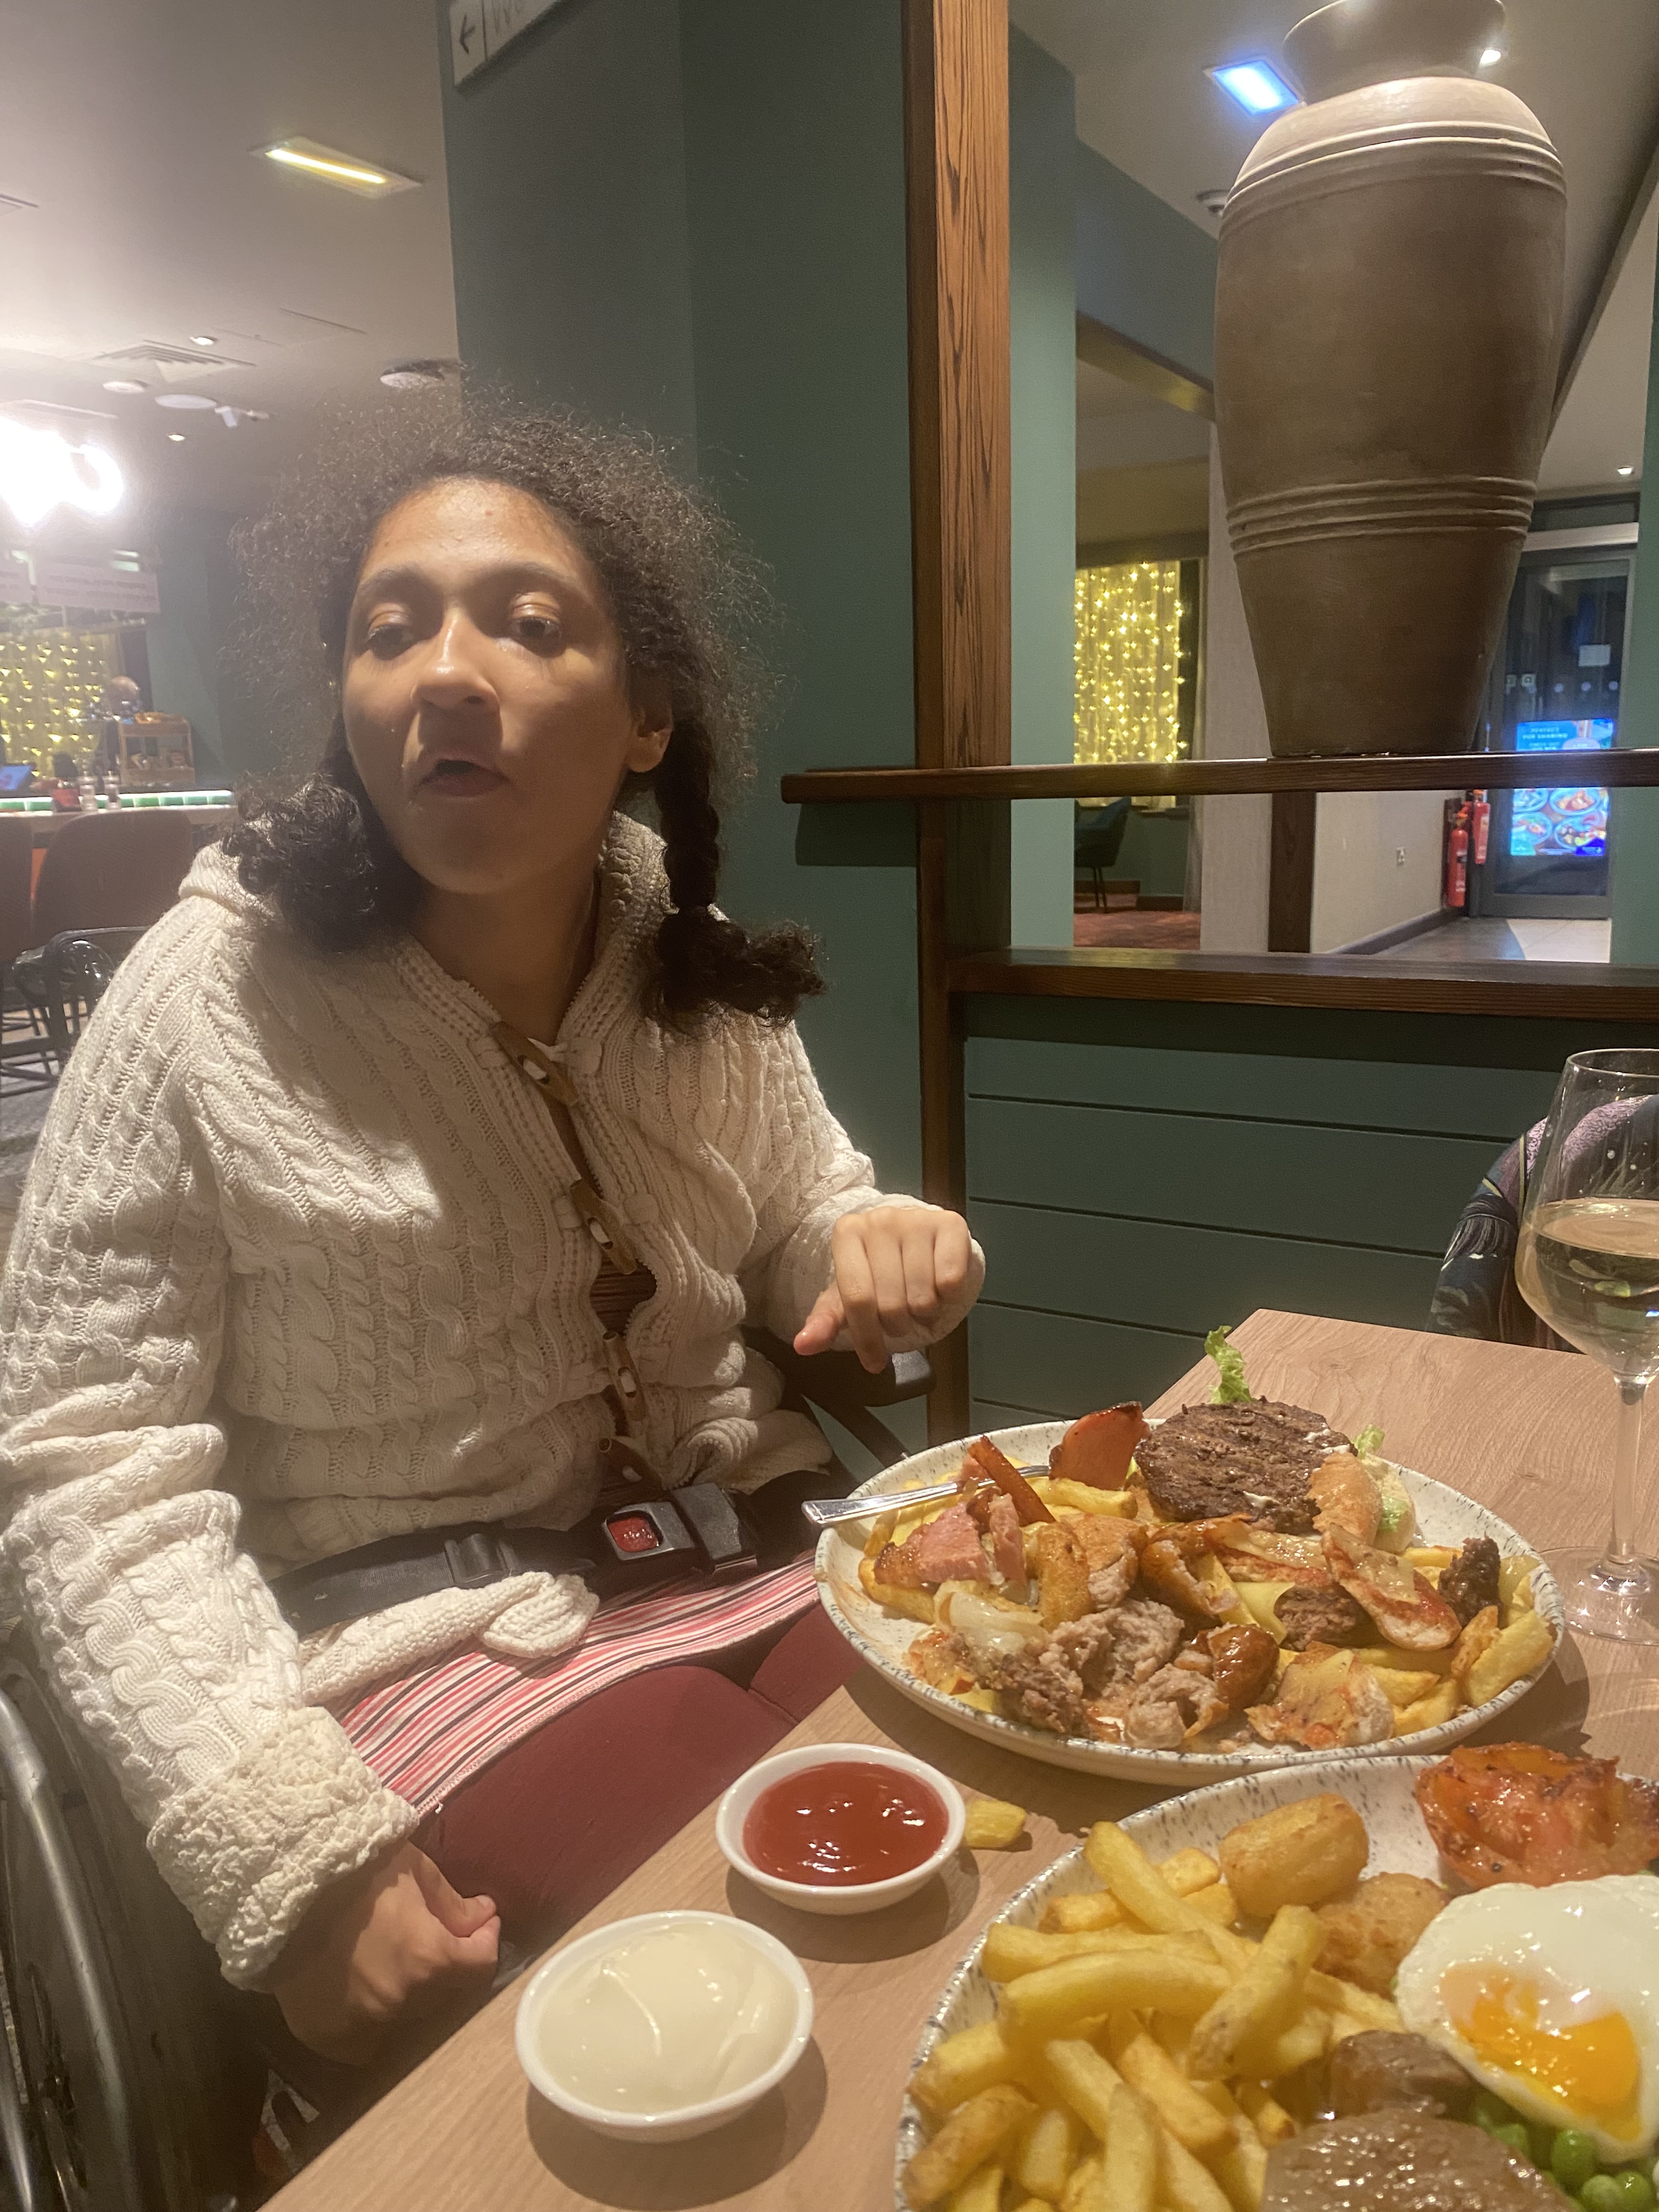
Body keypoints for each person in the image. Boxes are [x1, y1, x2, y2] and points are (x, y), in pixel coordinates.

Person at [0, 401, 983, 2069]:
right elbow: (82, 1466)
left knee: (1008, 1799)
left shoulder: (685, 957)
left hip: (762, 1542)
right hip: (432, 1645)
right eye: (391, 632)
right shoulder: (203, 1001)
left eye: (527, 624)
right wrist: (291, 1856)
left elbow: (798, 1213)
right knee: (800, 1978)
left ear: (648, 712)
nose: (446, 673)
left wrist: (869, 1244)